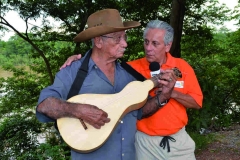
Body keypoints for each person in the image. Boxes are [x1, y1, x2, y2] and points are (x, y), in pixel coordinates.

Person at [36, 9, 177, 160]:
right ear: (98, 41)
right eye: (118, 38)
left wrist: (164, 96)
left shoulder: (129, 74)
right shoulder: (73, 72)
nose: (125, 43)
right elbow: (44, 105)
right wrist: (78, 110)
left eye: (125, 37)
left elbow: (141, 111)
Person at [61, 20, 203, 160]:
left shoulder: (182, 67)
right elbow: (103, 63)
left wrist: (171, 93)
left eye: (155, 43)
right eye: (146, 42)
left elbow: (197, 103)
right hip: (144, 143)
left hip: (178, 142)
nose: (148, 48)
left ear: (167, 46)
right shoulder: (130, 69)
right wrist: (79, 62)